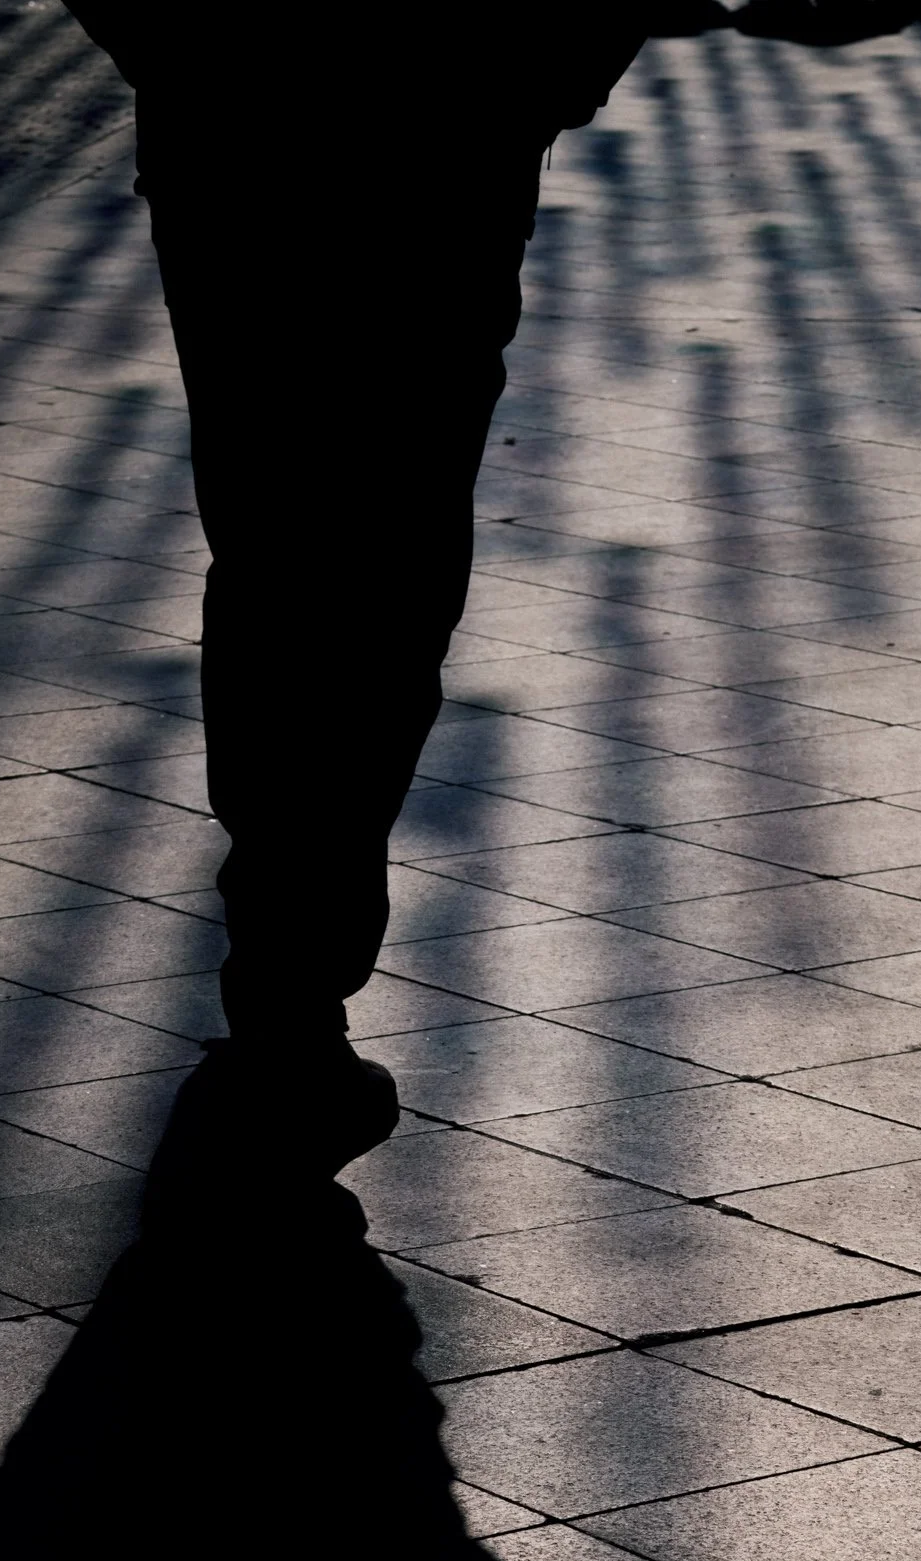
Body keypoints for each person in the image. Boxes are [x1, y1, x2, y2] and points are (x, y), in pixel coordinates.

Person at [66, 1, 649, 1170]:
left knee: (280, 557)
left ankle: (283, 967)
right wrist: (541, 81)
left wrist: (185, 63)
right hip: (439, 138)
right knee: (385, 571)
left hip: (245, 135)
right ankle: (296, 967)